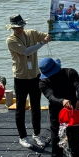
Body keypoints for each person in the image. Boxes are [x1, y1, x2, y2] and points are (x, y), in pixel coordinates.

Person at [39, 57, 79, 157]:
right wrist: (62, 101)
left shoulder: (70, 73)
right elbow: (50, 96)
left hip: (73, 115)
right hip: (56, 119)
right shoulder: (43, 82)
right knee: (56, 152)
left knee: (76, 150)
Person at [6, 14, 52, 148]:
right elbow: (26, 52)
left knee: (36, 106)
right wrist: (42, 43)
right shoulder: (11, 40)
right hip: (21, 77)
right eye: (15, 27)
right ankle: (23, 137)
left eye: (20, 26)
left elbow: (48, 37)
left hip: (35, 76)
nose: (18, 29)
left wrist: (51, 27)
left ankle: (36, 134)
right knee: (20, 108)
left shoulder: (31, 33)